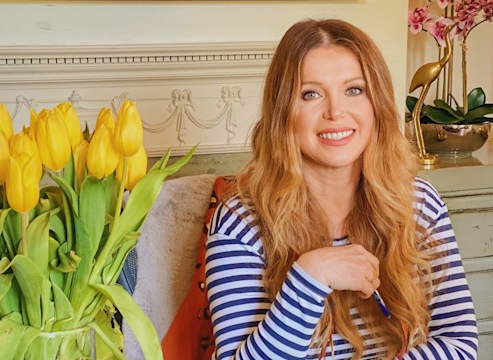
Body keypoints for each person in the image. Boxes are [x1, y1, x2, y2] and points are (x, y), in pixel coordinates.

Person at [204, 19, 478, 359]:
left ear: (376, 103)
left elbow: (460, 344)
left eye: (354, 90)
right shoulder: (240, 223)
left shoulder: (418, 202)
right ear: (283, 113)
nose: (335, 112)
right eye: (311, 94)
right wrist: (310, 275)